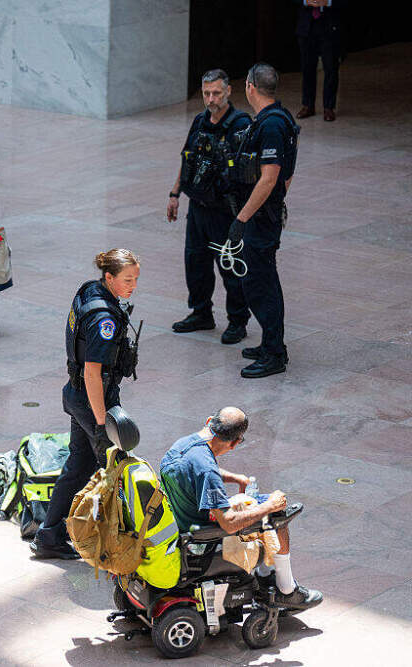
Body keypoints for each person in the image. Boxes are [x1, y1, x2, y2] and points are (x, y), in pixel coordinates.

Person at [31, 249, 141, 559]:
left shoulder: (89, 290)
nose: (132, 286)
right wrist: (101, 422)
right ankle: (111, 538)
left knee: (79, 464)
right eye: (127, 280)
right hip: (93, 400)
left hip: (76, 393)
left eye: (135, 279)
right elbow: (93, 373)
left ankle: (50, 535)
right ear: (109, 278)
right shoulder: (104, 319)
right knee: (112, 468)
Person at [160, 407, 323, 611]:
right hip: (205, 540)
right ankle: (287, 591)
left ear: (209, 420)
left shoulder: (182, 445)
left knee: (258, 505)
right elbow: (228, 523)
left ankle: (265, 578)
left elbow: (196, 468)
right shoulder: (207, 470)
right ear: (236, 443)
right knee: (277, 517)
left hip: (184, 520)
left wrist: (233, 478)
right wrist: (268, 506)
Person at [225, 63, 299, 378]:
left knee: (261, 284)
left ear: (250, 87)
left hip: (259, 218)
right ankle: (270, 342)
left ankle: (274, 354)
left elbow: (270, 178)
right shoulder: (278, 120)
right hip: (264, 213)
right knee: (258, 281)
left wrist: (242, 219)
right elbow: (286, 175)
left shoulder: (271, 125)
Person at [168, 69, 251, 345]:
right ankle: (201, 313)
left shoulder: (240, 124)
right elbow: (187, 157)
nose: (211, 99)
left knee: (229, 266)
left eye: (216, 93)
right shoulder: (200, 121)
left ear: (228, 91)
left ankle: (237, 321)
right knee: (195, 262)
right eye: (206, 93)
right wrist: (175, 193)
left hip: (224, 210)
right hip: (198, 208)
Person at [295, 0, 345, 122]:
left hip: (329, 27)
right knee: (307, 68)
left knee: (331, 68)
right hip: (307, 26)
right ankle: (308, 105)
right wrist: (306, 2)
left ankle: (329, 107)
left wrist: (327, 2)